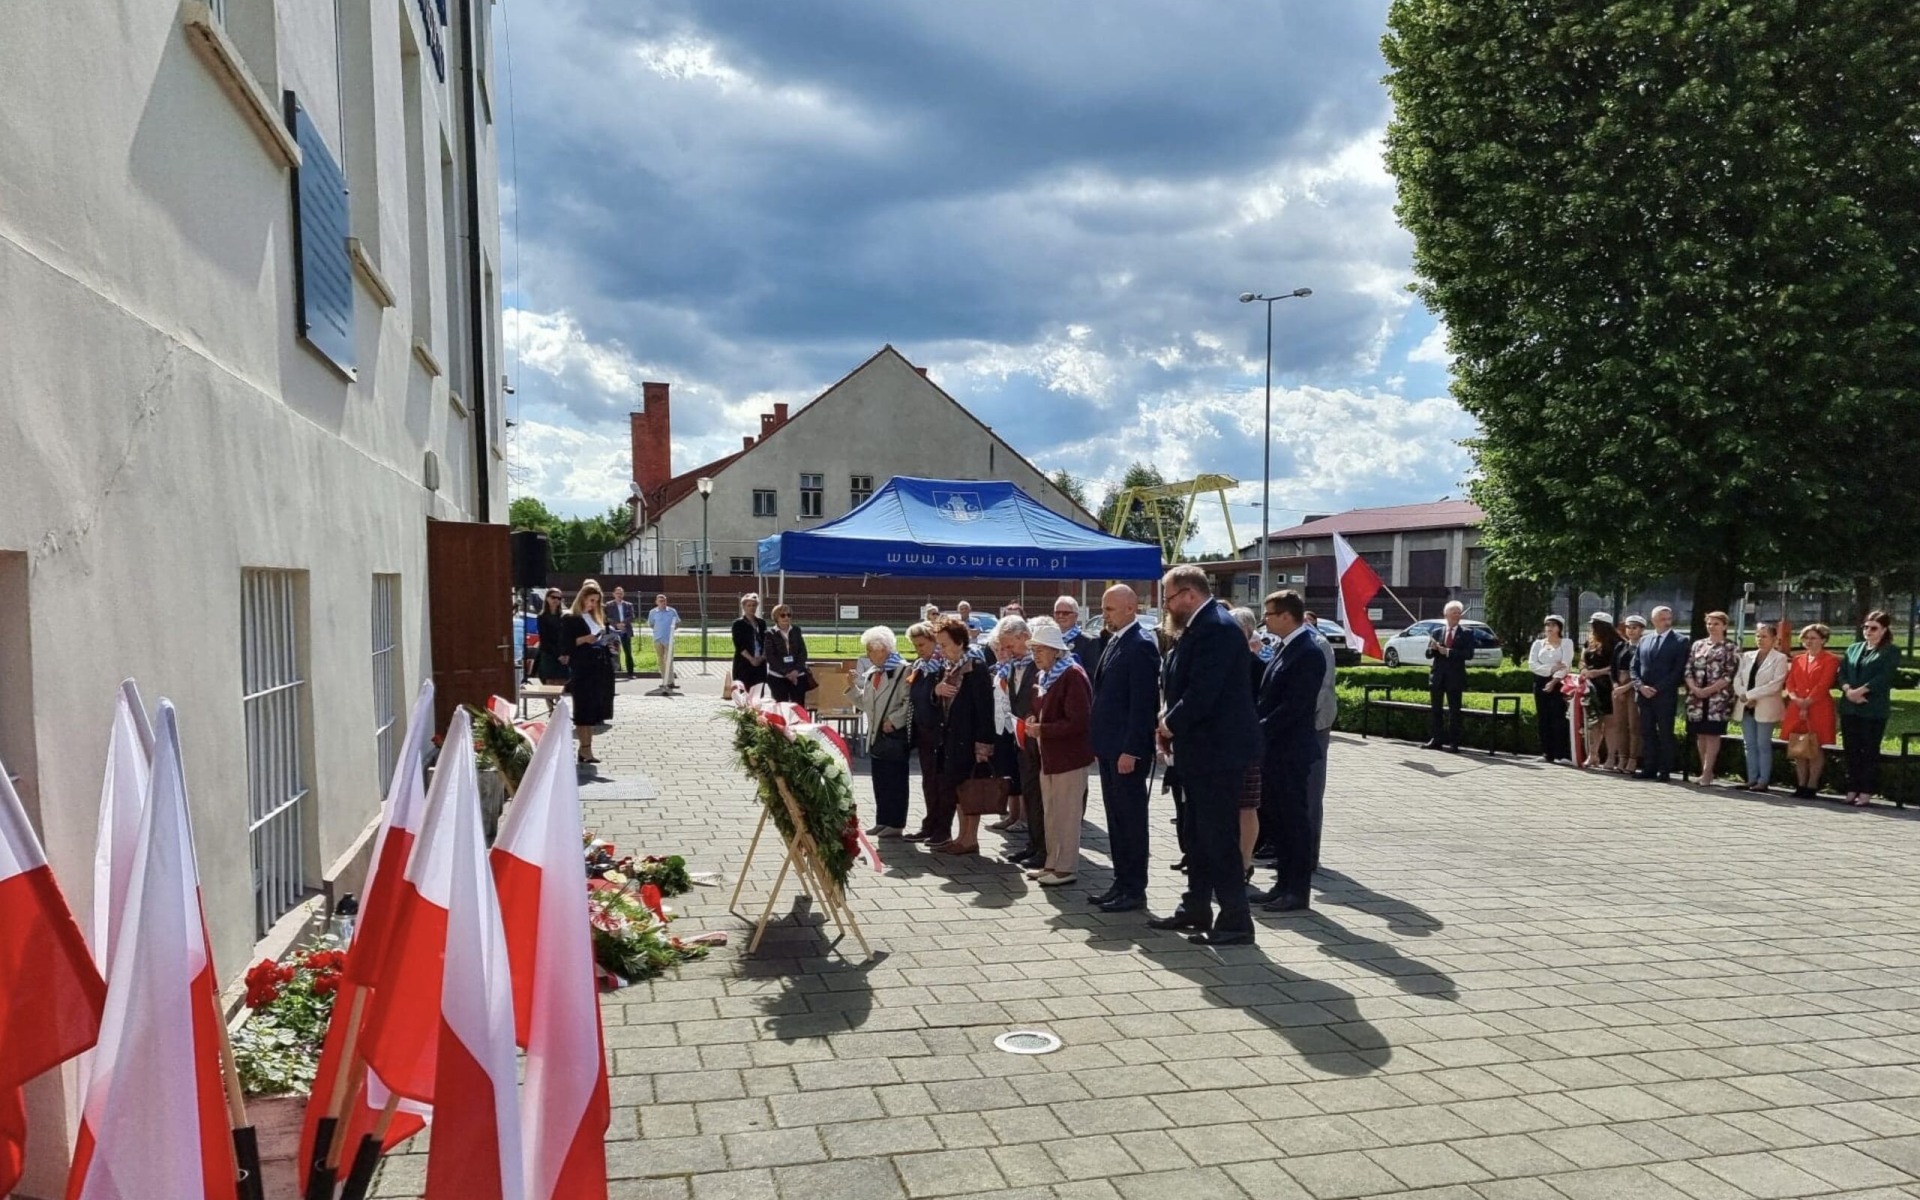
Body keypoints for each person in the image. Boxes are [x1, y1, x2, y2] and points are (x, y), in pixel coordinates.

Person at [1148, 566, 1262, 946]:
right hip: (1198, 752)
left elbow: (1202, 694)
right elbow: (1179, 684)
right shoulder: (1197, 627)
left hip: (1218, 753)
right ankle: (1196, 906)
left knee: (1218, 836)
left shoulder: (1215, 627)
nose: (1165, 607)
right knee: (1196, 835)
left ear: (1189, 595)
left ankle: (1235, 920)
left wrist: (1168, 726)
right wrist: (1168, 723)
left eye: (1167, 598)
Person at [1240, 590, 1326, 918]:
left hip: (1291, 751)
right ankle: (1283, 885)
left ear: (1287, 615)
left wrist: (1258, 729)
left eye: (1270, 615)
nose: (1265, 621)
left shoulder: (1308, 651)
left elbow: (1294, 707)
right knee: (1280, 822)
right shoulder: (1285, 646)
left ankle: (1296, 890)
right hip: (1276, 750)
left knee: (1294, 822)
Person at [1088, 584, 1160, 913]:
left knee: (1130, 820)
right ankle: (1121, 882)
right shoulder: (1116, 641)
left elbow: (1143, 705)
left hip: (1125, 751)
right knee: (1116, 820)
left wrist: (1132, 749)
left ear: (1131, 608)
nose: (1105, 615)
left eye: (1111, 609)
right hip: (1108, 748)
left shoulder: (1141, 645)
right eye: (1104, 609)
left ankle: (1135, 889)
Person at [1022, 617, 1094, 886]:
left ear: (1056, 650)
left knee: (1067, 814)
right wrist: (1031, 718)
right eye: (1033, 650)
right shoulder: (1045, 675)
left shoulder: (1072, 674)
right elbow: (1038, 707)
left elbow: (1079, 721)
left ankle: (1066, 868)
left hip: (1069, 757)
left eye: (1040, 650)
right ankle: (1052, 862)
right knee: (1051, 811)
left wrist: (1044, 729)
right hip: (1049, 756)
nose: (1035, 655)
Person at [928, 617, 995, 855]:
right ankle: (960, 836)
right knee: (955, 789)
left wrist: (983, 746)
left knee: (970, 790)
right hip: (949, 740)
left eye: (944, 644)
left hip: (969, 741)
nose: (941, 649)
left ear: (959, 642)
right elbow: (938, 702)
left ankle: (971, 839)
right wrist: (936, 691)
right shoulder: (946, 668)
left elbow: (985, 709)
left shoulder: (975, 668)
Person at [991, 617, 1047, 869]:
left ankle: (1046, 849)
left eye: (1009, 645)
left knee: (1042, 797)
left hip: (1040, 740)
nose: (1006, 652)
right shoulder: (1013, 666)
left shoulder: (1041, 664)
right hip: (1021, 740)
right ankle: (1034, 844)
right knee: (1030, 793)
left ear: (1024, 636)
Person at [847, 626, 914, 836]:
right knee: (880, 780)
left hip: (893, 735)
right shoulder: (874, 672)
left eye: (870, 650)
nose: (867, 655)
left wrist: (894, 720)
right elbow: (867, 704)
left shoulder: (903, 670)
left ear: (883, 649)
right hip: (876, 736)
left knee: (895, 781)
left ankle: (896, 824)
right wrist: (851, 688)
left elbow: (909, 702)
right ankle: (882, 820)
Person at [1838, 610, 1901, 805]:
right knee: (1852, 749)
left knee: (1869, 750)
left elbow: (1885, 676)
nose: (1868, 631)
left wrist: (1863, 691)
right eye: (1866, 627)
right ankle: (1852, 787)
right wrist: (1849, 690)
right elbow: (1843, 673)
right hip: (1850, 707)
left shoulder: (1890, 651)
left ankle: (1866, 789)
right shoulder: (1854, 648)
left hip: (1873, 709)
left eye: (1873, 628)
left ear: (1884, 630)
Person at [1781, 623, 1840, 800]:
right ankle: (1800, 784)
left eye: (1813, 638)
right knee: (1799, 746)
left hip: (1818, 706)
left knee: (1815, 746)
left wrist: (1808, 702)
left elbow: (1824, 683)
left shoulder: (1830, 660)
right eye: (1806, 638)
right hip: (1796, 706)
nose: (1809, 641)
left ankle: (1812, 784)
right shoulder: (1798, 659)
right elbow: (1790, 682)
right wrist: (1795, 698)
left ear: (1823, 640)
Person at [562, 580, 617, 764]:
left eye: (596, 601)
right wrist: (585, 639)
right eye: (591, 600)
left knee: (593, 709)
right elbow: (565, 645)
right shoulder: (571, 618)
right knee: (583, 709)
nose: (593, 604)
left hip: (598, 666)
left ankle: (586, 748)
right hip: (582, 668)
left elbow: (600, 637)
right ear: (582, 598)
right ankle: (585, 749)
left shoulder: (595, 618)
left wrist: (608, 642)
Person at [1732, 622, 1790, 792]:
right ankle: (1751, 779)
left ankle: (1763, 780)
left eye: (1764, 636)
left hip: (1765, 706)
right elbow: (1737, 679)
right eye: (1758, 636)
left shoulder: (1779, 658)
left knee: (1762, 744)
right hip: (1746, 706)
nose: (1760, 639)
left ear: (1774, 639)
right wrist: (1743, 695)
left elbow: (1775, 684)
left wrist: (1751, 695)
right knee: (1749, 744)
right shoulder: (1747, 656)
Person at [1631, 606, 1688, 781]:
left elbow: (1678, 671)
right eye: (1663, 618)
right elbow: (1634, 666)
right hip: (1644, 695)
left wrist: (1657, 688)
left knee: (1665, 733)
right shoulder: (1645, 640)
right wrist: (1640, 686)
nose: (1667, 621)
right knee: (1647, 732)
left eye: (1669, 618)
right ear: (1653, 620)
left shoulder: (1680, 641)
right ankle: (1649, 768)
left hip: (1664, 695)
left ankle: (1665, 770)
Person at [904, 623, 948, 842]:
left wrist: (933, 691)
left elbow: (943, 700)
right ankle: (929, 824)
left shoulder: (943, 666)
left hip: (939, 733)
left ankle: (942, 828)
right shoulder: (920, 665)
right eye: (915, 646)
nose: (918, 649)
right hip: (923, 732)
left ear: (933, 641)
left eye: (921, 644)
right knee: (928, 780)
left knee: (940, 781)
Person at [1684, 611, 1739, 786]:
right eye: (1709, 623)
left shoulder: (1730, 647)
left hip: (1718, 698)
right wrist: (1694, 688)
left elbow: (1730, 673)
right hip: (1697, 698)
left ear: (1724, 626)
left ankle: (1709, 772)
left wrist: (1709, 690)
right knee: (1701, 734)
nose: (1711, 627)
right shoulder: (1698, 645)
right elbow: (1688, 669)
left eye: (1716, 623)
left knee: (1713, 734)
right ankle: (1703, 770)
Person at [1423, 601, 1472, 751]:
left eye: (1459, 613)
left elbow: (1468, 654)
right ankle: (1436, 740)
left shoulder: (1467, 633)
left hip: (1455, 677)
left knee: (1454, 711)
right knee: (1436, 710)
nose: (1457, 615)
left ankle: (1454, 742)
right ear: (1446, 615)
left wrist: (1449, 652)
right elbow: (1428, 655)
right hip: (1438, 677)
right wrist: (1432, 649)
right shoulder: (1437, 632)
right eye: (1453, 613)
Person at [1529, 616, 1575, 762]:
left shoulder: (1566, 643)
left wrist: (1554, 681)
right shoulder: (1538, 644)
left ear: (1560, 628)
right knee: (1543, 717)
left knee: (1558, 717)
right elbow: (1532, 664)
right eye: (1547, 625)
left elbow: (1565, 665)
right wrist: (1550, 668)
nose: (1550, 628)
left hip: (1559, 683)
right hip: (1540, 681)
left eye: (1554, 625)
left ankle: (1562, 753)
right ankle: (1546, 752)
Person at [1579, 614, 1623, 768]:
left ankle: (1611, 757)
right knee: (1593, 722)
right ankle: (1593, 755)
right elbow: (1583, 660)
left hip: (1608, 685)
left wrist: (1597, 672)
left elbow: (1616, 667)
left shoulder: (1617, 643)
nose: (1592, 628)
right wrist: (1584, 670)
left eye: (1595, 625)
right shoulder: (1589, 642)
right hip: (1591, 688)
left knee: (1610, 723)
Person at [1613, 615, 1647, 774]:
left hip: (1633, 688)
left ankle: (1633, 759)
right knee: (1620, 725)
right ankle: (1622, 757)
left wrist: (1625, 687)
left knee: (1634, 725)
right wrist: (1615, 686)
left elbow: (1642, 672)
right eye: (1628, 627)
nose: (1631, 631)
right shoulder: (1620, 646)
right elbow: (1613, 668)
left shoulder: (1644, 647)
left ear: (1641, 630)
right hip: (1618, 687)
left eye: (1635, 628)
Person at [764, 604, 812, 705]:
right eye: (783, 615)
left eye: (789, 615)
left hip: (797, 676)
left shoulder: (796, 631)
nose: (786, 618)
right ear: (776, 617)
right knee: (781, 708)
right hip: (778, 677)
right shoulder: (770, 634)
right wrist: (786, 674)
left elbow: (802, 653)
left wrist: (795, 671)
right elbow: (770, 657)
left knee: (798, 707)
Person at [730, 594, 769, 694]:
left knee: (759, 693)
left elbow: (766, 641)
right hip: (745, 663)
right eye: (749, 605)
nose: (752, 608)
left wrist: (762, 657)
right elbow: (739, 644)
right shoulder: (738, 624)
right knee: (744, 693)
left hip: (760, 663)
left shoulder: (761, 623)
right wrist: (752, 659)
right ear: (743, 607)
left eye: (754, 605)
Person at [534, 588, 570, 684]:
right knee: (549, 681)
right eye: (553, 597)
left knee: (562, 682)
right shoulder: (542, 617)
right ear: (547, 598)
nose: (556, 600)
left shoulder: (564, 616)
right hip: (548, 653)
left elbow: (567, 636)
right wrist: (558, 655)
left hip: (563, 653)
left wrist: (565, 654)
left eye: (559, 598)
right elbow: (544, 638)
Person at [647, 593, 681, 694]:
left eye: (664, 601)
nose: (663, 603)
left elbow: (678, 622)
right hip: (658, 639)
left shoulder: (672, 611)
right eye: (660, 601)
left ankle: (670, 682)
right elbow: (651, 624)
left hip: (669, 640)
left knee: (669, 660)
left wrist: (673, 629)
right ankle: (664, 680)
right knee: (661, 660)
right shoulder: (653, 612)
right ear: (656, 602)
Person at [1052, 595, 1101, 663]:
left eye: (1065, 613)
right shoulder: (1048, 639)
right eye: (1057, 613)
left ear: (1076, 616)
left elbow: (1091, 671)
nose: (1060, 616)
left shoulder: (1089, 642)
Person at [606, 586, 638, 679]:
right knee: (613, 652)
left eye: (621, 593)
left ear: (623, 594)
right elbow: (607, 617)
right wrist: (616, 624)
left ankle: (630, 673)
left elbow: (632, 616)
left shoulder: (628, 605)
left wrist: (623, 623)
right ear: (614, 594)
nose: (619, 595)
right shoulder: (608, 605)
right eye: (617, 593)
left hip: (625, 631)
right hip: (613, 632)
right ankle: (614, 672)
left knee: (628, 652)